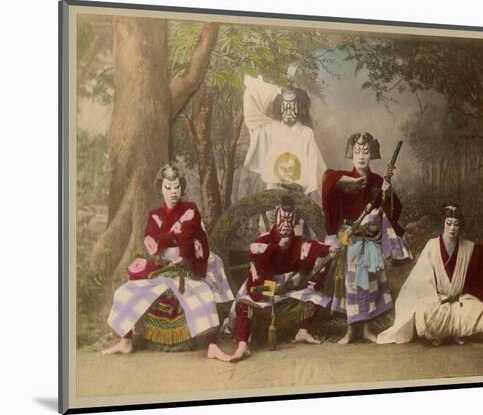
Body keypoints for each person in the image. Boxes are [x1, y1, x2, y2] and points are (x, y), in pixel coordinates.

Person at [101, 165, 234, 361]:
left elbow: (196, 239)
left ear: (182, 187)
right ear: (161, 188)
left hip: (184, 270)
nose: (173, 192)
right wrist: (175, 239)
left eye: (177, 186)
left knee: (204, 293)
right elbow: (153, 245)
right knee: (125, 291)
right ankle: (125, 340)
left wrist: (182, 251)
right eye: (168, 187)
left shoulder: (190, 210)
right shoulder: (155, 215)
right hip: (162, 270)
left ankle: (212, 345)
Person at [322, 132, 411, 344]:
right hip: (351, 239)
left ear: (372, 155)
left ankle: (367, 329)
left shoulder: (379, 181)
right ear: (351, 154)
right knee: (351, 286)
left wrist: (387, 194)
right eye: (357, 151)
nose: (361, 156)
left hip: (372, 240)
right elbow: (327, 182)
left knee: (371, 285)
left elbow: (393, 210)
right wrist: (344, 183)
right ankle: (350, 331)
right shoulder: (343, 179)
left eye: (366, 151)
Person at [228, 196, 337, 361]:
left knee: (317, 297)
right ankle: (243, 345)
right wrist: (276, 248)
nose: (286, 225)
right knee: (245, 304)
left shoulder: (299, 243)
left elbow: (317, 248)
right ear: (275, 220)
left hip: (288, 287)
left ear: (294, 223)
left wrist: (332, 249)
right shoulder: (263, 240)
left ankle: (303, 331)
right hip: (261, 286)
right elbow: (255, 262)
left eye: (290, 221)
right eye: (282, 220)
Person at [377, 205, 483, 345]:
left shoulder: (468, 247)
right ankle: (451, 332)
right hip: (438, 300)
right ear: (443, 224)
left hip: (459, 300)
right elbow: (421, 276)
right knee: (424, 315)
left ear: (460, 227)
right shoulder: (432, 245)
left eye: (456, 224)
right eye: (449, 223)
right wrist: (433, 299)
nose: (452, 228)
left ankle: (453, 332)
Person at [242, 74, 327, 198]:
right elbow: (252, 102)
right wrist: (278, 91)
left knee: (299, 214)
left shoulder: (306, 133)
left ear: (298, 109)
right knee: (271, 212)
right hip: (273, 188)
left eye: (292, 107)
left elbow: (317, 166)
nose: (288, 112)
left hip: (298, 191)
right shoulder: (271, 129)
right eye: (285, 107)